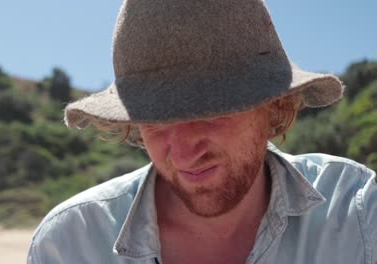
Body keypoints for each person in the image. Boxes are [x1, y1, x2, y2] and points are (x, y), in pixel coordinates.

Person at [28, 0, 377, 263]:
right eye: (155, 120)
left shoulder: (358, 214)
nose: (183, 154)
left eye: (212, 113)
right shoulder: (70, 243)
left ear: (274, 105)